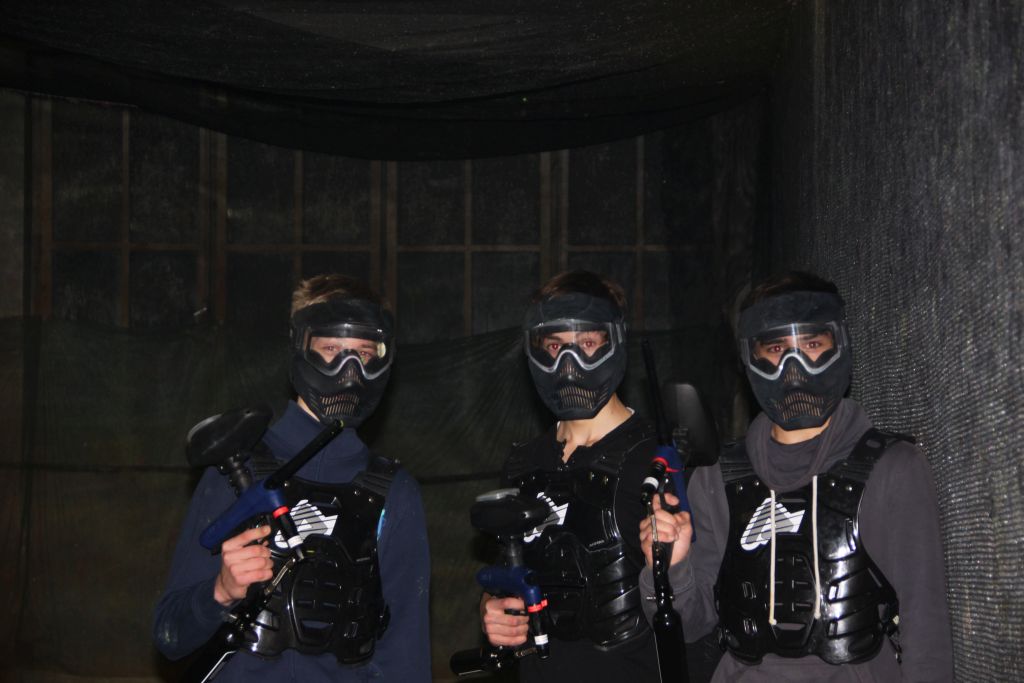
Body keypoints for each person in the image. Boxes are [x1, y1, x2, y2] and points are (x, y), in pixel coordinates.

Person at [639, 271, 954, 681]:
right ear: (750, 358)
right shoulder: (718, 479)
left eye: (812, 345)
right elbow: (690, 625)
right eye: (775, 349)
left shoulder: (893, 469)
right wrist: (671, 565)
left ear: (839, 344)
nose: (794, 368)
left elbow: (926, 630)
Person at [153, 274, 431, 682]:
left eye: (364, 354)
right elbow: (170, 635)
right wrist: (220, 592)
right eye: (332, 349)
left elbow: (406, 654)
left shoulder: (395, 493)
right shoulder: (236, 469)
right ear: (300, 346)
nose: (350, 370)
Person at [479, 269, 662, 682]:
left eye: (587, 344)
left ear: (615, 342)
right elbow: (505, 582)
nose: (568, 362)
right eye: (555, 346)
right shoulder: (523, 465)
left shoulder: (658, 458)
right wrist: (492, 611)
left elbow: (698, 604)